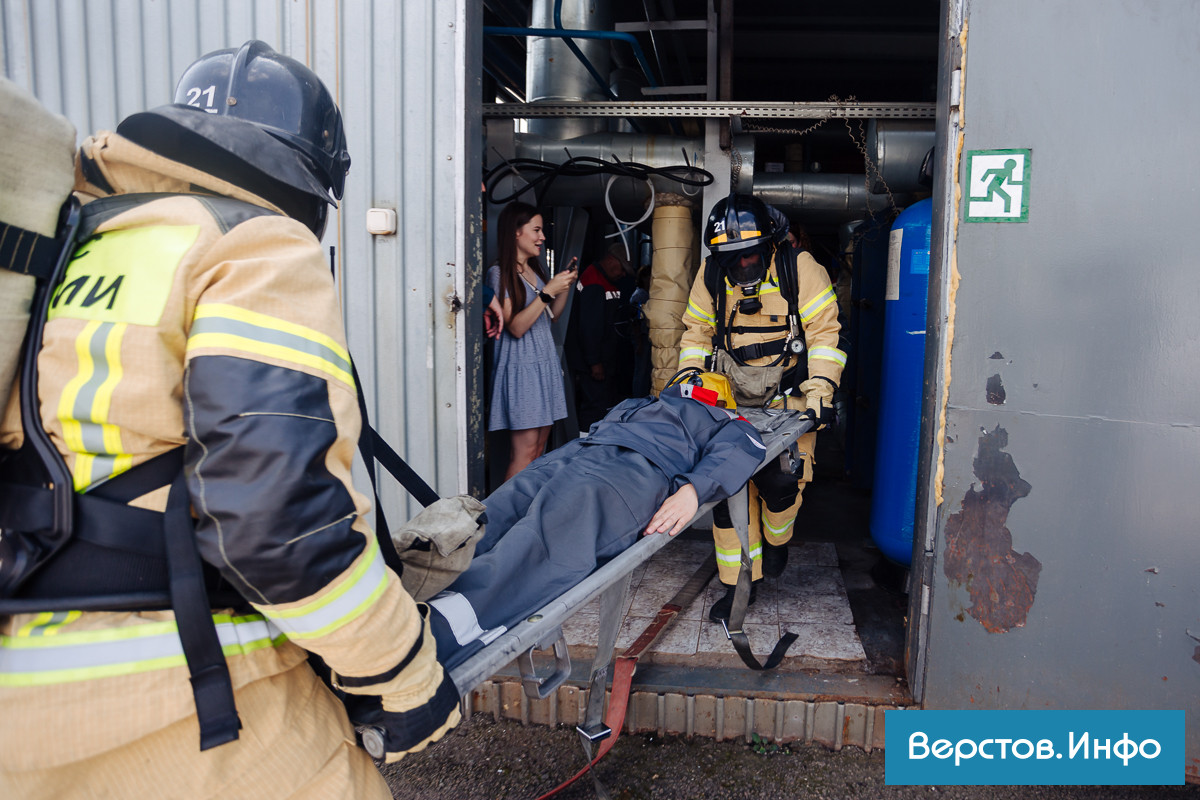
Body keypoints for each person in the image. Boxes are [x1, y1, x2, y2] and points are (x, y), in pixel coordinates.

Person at [0, 41, 458, 799]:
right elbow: (280, 522)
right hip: (188, 708)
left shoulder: (70, 244)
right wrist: (403, 673)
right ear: (310, 178)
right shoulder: (253, 243)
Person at [427, 376, 767, 669]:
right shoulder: (643, 402)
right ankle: (410, 584)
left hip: (632, 469)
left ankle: (440, 632)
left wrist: (694, 489)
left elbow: (744, 449)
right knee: (490, 515)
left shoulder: (727, 421)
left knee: (544, 540)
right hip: (583, 451)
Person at [678, 194, 846, 622]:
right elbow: (696, 332)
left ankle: (777, 541)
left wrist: (821, 391)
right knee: (725, 490)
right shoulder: (712, 272)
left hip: (787, 402)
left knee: (780, 481)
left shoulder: (800, 269)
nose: (741, 266)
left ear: (770, 245)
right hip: (729, 403)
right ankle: (739, 588)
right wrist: (689, 381)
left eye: (750, 255)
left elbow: (825, 333)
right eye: (731, 258)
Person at [487, 201, 578, 480]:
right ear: (516, 232)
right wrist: (547, 292)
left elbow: (550, 316)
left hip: (543, 367)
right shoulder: (499, 273)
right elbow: (515, 326)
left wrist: (563, 286)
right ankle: (504, 520)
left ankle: (525, 515)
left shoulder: (535, 271)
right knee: (523, 454)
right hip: (522, 370)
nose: (542, 237)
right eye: (536, 230)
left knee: (538, 451)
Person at [566, 243, 638, 433]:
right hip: (594, 364)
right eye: (622, 268)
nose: (623, 274)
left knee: (600, 405)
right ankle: (585, 444)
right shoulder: (594, 283)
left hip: (601, 360)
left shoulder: (602, 280)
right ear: (611, 260)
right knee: (594, 407)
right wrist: (594, 362)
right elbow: (590, 327)